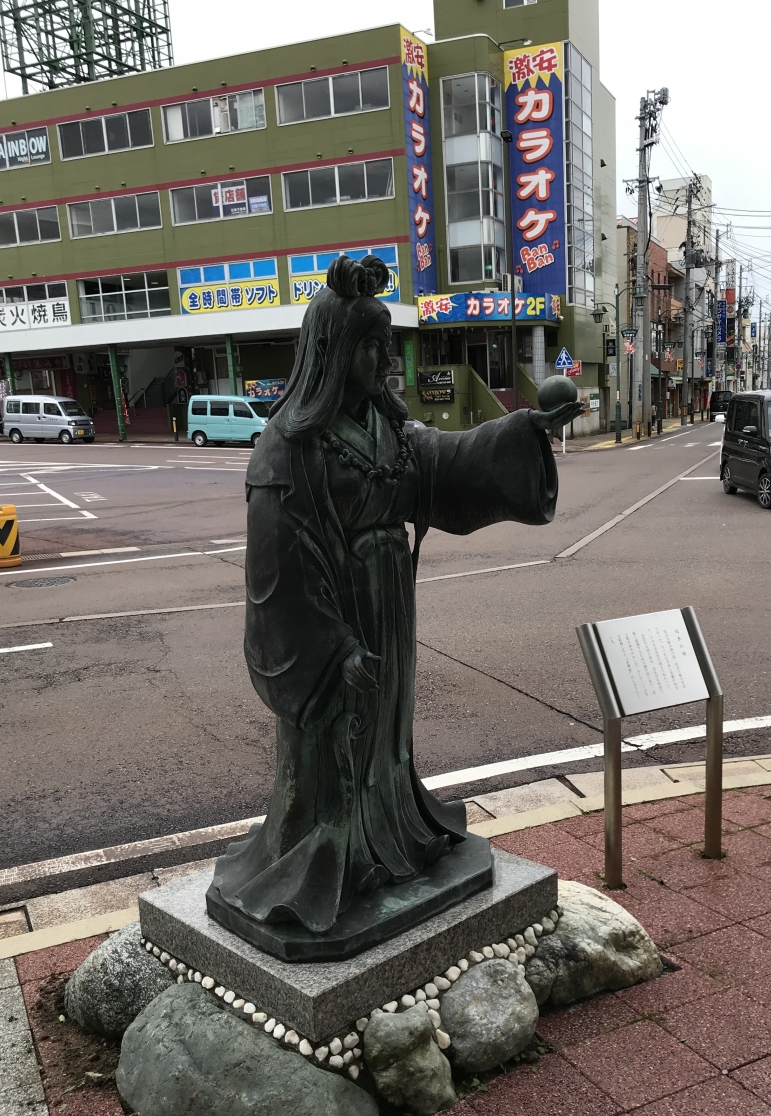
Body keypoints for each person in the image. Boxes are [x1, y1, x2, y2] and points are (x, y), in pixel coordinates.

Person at [209, 255, 580, 937]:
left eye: (387, 344)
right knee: (337, 743)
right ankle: (328, 851)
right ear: (334, 352)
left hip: (388, 602)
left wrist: (526, 429)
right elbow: (278, 571)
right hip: (335, 624)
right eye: (372, 346)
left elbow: (447, 463)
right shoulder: (288, 451)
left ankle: (391, 840)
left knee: (387, 736)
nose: (387, 359)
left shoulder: (391, 429)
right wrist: (333, 649)